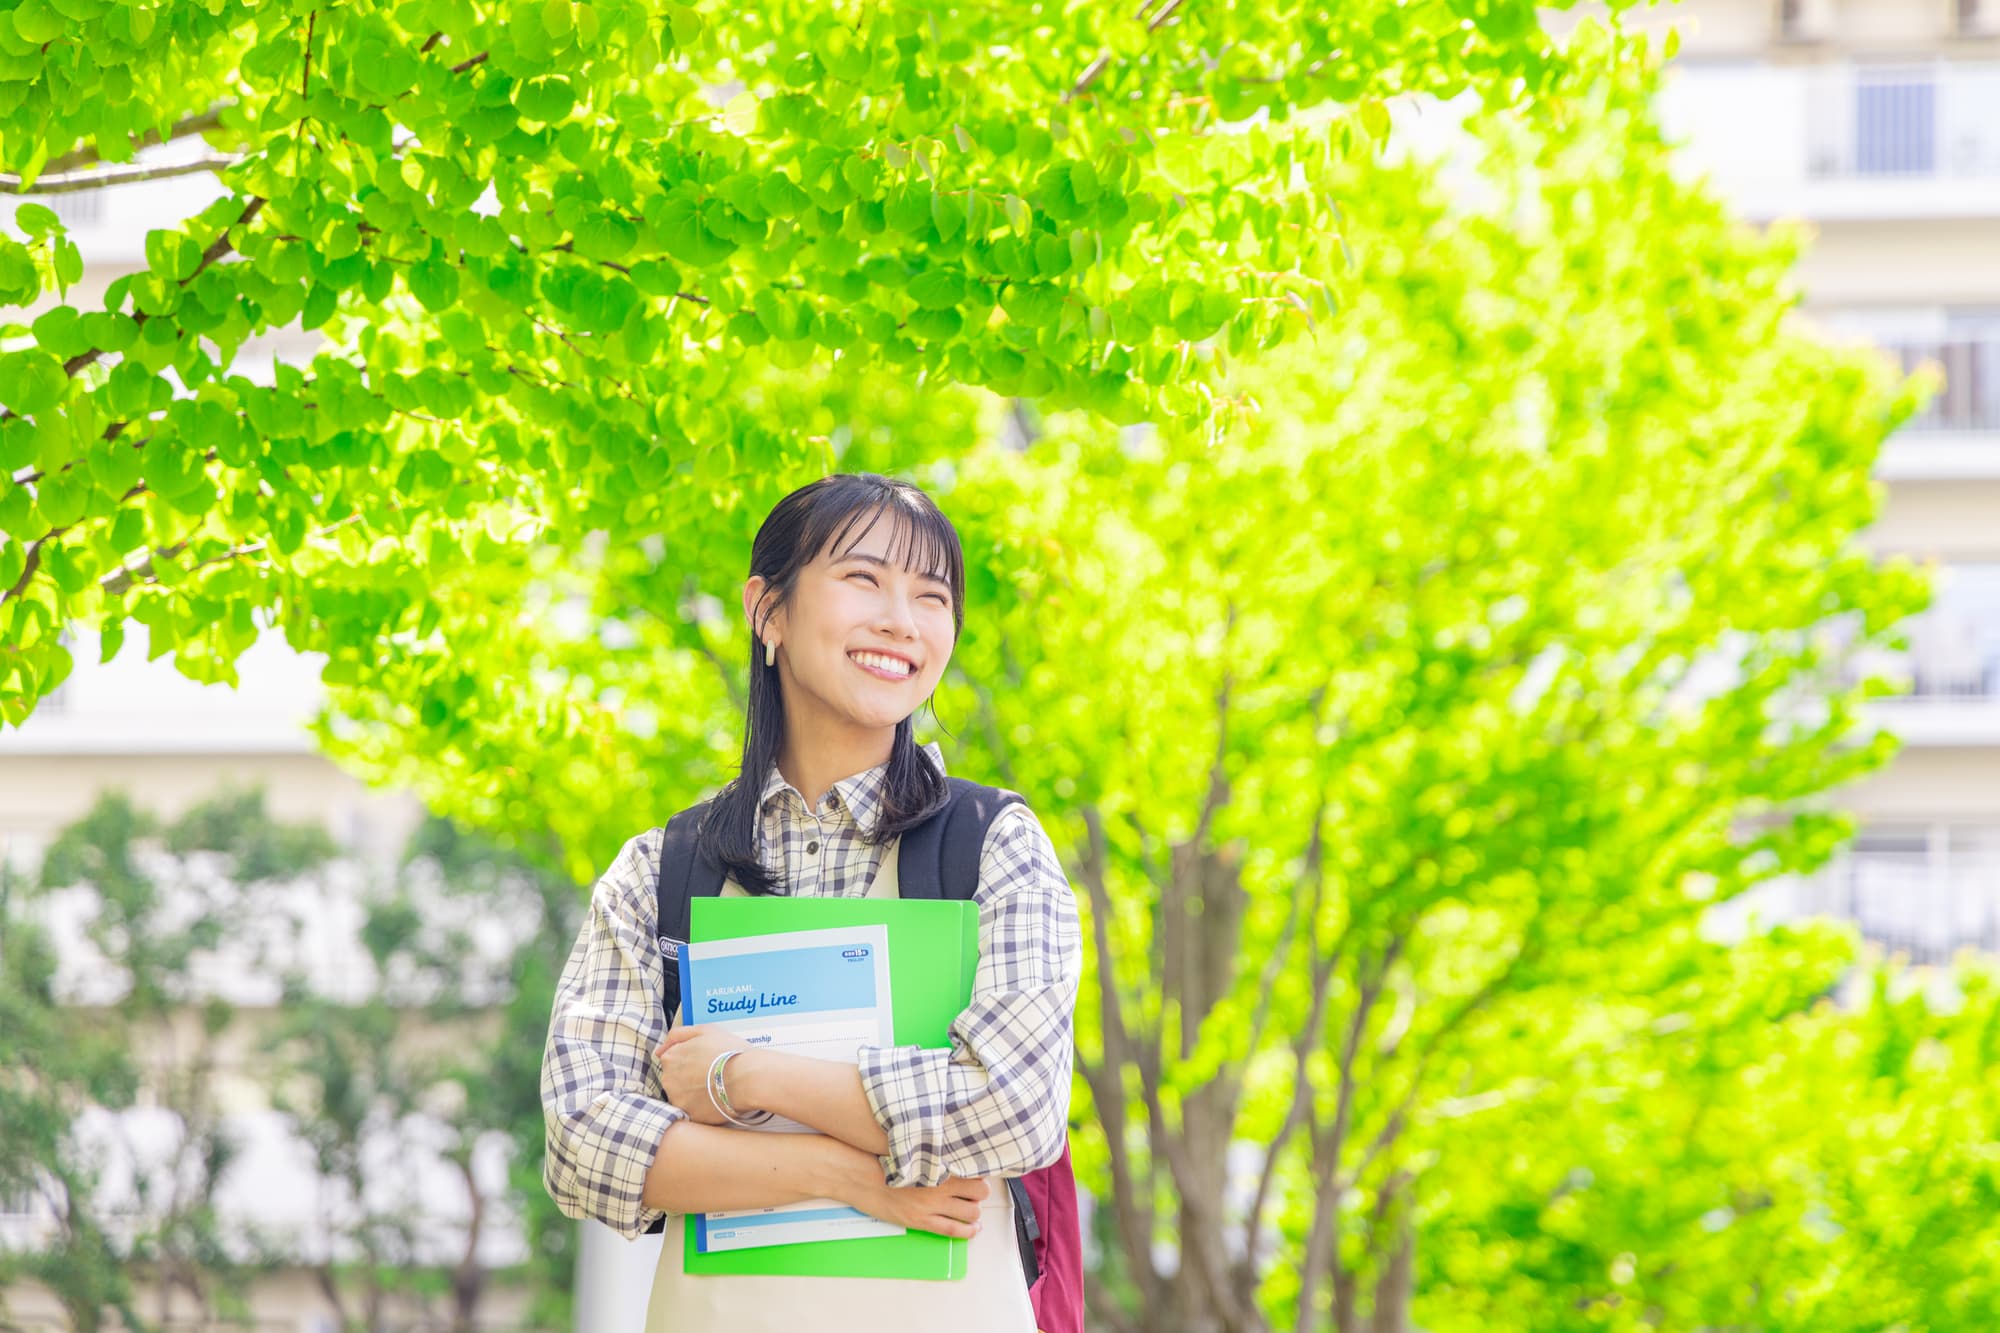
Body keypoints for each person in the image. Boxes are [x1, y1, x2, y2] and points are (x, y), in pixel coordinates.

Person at [539, 473, 1082, 1332]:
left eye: (931, 595)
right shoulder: (660, 870)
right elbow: (584, 1144)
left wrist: (741, 1075)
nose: (902, 620)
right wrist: (845, 1174)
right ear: (769, 610)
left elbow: (1014, 1108)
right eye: (864, 578)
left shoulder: (996, 845)